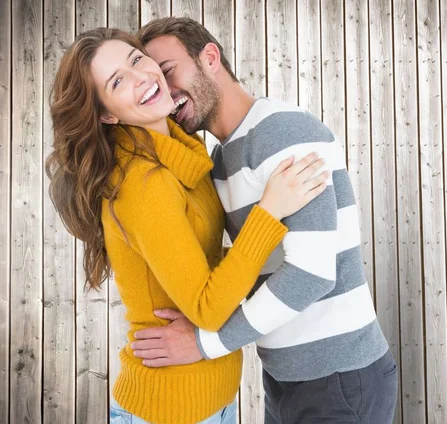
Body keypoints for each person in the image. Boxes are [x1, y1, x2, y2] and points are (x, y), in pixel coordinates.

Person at [46, 27, 329, 424]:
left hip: (208, 400)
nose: (141, 76)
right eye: (117, 81)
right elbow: (207, 309)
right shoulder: (145, 183)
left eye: (136, 60)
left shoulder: (181, 158)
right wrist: (269, 212)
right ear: (107, 113)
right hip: (169, 408)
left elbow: (205, 263)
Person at [133, 17, 399, 423]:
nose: (166, 95)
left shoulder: (280, 131)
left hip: (341, 379)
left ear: (209, 57)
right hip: (285, 378)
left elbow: (312, 274)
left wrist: (205, 343)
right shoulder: (222, 161)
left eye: (168, 71)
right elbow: (252, 259)